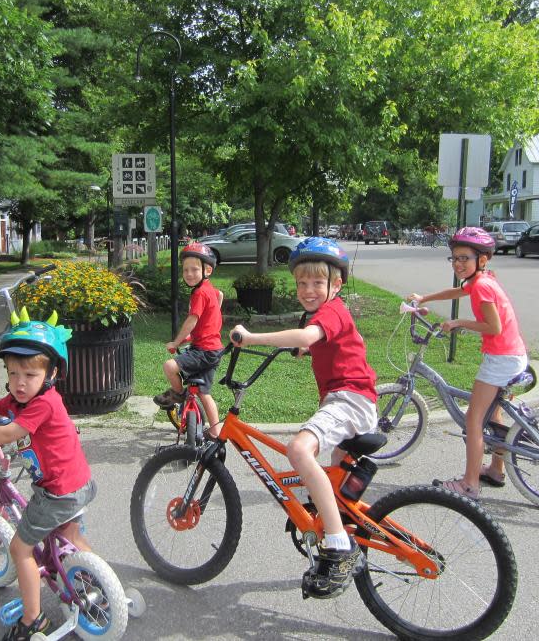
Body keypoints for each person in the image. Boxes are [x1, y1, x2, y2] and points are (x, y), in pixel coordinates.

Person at [229, 237, 377, 599]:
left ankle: (338, 545)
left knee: (298, 451)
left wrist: (250, 337)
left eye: (317, 283)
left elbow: (309, 333)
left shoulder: (331, 312)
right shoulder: (329, 314)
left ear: (336, 285)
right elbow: (314, 340)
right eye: (301, 283)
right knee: (335, 490)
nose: (308, 290)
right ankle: (342, 531)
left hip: (349, 401)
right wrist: (303, 348)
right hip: (350, 401)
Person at [0, 310, 95, 641]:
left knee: (20, 549)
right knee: (71, 536)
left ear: (51, 373)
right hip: (79, 483)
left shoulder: (43, 404)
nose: (20, 382)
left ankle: (33, 619)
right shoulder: (21, 398)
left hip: (57, 492)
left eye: (29, 373)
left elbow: (6, 433)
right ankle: (95, 581)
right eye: (13, 373)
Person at [406, 226, 527, 500]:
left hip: (501, 359)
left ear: (482, 260)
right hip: (512, 354)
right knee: (493, 415)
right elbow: (456, 292)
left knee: (473, 419)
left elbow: (493, 327)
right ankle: (496, 470)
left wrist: (458, 323)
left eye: (465, 258)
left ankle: (469, 484)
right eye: (455, 258)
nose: (459, 263)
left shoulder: (482, 286)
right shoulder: (482, 279)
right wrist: (424, 298)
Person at [153, 242, 225, 437]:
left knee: (169, 366)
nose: (189, 273)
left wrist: (176, 342)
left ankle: (178, 394)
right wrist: (189, 338)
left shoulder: (200, 293)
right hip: (214, 350)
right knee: (204, 393)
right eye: (186, 270)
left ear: (207, 270)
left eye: (195, 269)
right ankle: (216, 431)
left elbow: (192, 320)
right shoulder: (209, 290)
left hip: (204, 350)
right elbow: (218, 299)